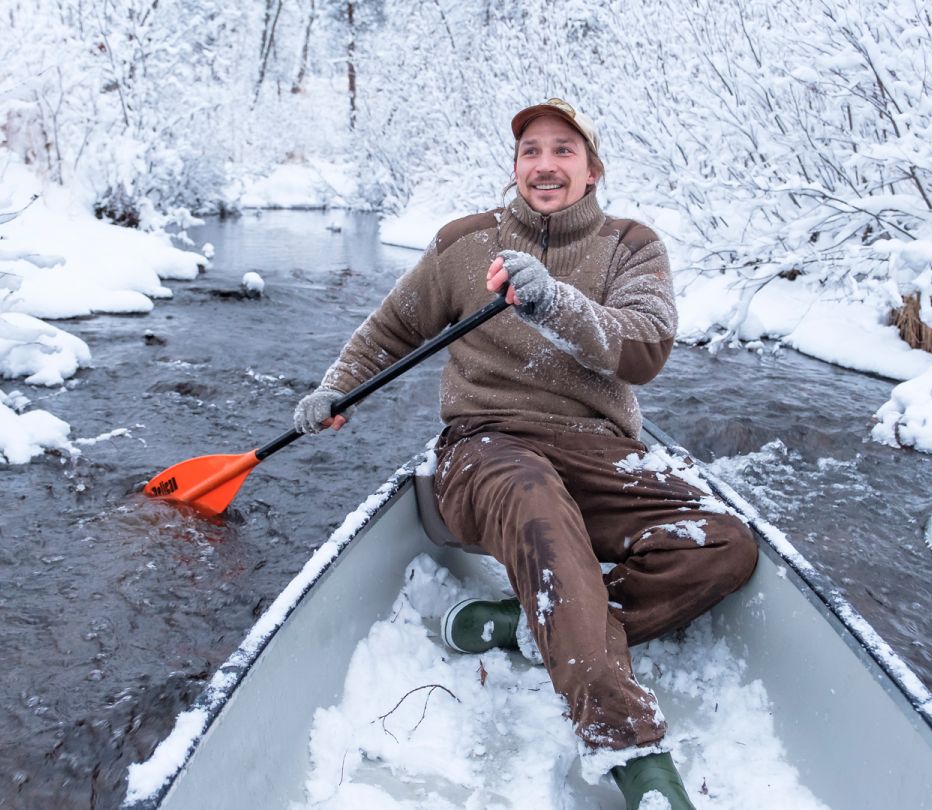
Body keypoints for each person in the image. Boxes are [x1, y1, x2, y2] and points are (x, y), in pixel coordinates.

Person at [293, 98, 758, 810]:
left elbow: (645, 347)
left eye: (563, 151)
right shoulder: (464, 243)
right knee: (536, 501)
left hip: (599, 447)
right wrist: (336, 388)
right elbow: (393, 329)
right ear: (514, 168)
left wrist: (555, 303)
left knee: (724, 546)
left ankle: (525, 624)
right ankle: (629, 745)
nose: (545, 165)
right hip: (487, 446)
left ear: (592, 169)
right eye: (530, 151)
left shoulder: (632, 245)